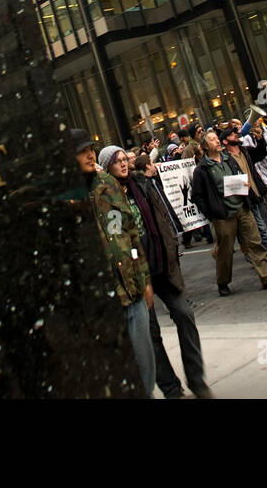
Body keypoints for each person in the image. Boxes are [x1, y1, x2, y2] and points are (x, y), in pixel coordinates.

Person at [106, 149, 213, 399]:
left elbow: (163, 219)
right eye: (116, 161)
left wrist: (171, 255)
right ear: (107, 167)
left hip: (161, 266)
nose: (123, 164)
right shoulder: (107, 197)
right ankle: (172, 389)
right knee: (150, 335)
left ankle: (197, 379)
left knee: (185, 314)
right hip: (138, 278)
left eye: (124, 159)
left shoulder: (142, 185)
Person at [73, 131, 154, 395]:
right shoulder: (68, 197)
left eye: (91, 149)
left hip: (131, 287)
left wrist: (145, 280)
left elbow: (129, 232)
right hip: (102, 301)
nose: (90, 155)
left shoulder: (106, 183)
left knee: (146, 361)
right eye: (82, 151)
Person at [191, 130, 267, 295]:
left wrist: (245, 188)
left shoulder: (229, 160)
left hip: (242, 208)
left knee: (255, 242)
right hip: (223, 215)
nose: (217, 142)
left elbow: (239, 176)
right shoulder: (202, 169)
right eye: (213, 140)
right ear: (206, 147)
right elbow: (197, 196)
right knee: (225, 251)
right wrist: (212, 213)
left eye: (217, 138)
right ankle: (223, 282)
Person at [224, 123, 267, 270]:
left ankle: (254, 254)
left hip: (257, 194)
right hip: (246, 199)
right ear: (225, 141)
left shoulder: (245, 151)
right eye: (232, 134)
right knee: (261, 230)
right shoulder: (226, 159)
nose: (236, 135)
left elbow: (261, 153)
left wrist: (260, 140)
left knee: (260, 229)